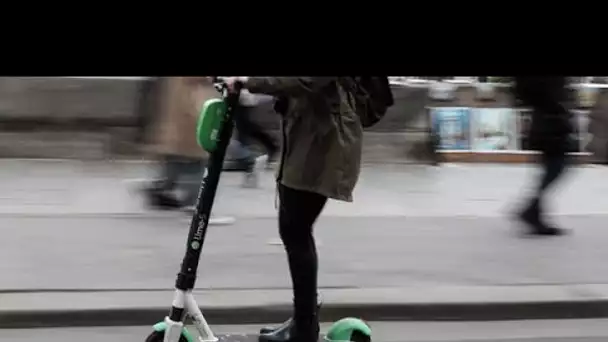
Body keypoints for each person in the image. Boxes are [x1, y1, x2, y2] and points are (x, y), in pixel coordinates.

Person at [222, 77, 363, 342]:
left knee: (295, 229)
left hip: (322, 144)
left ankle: (304, 326)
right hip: (310, 139)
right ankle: (303, 320)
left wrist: (248, 80)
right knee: (294, 229)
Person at [141, 77, 235, 225]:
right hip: (190, 116)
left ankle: (158, 188)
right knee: (198, 164)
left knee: (177, 160)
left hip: (178, 117)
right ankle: (195, 207)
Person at [513, 76, 572, 235]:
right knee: (557, 165)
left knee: (553, 166)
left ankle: (533, 212)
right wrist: (556, 106)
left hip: (547, 120)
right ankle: (531, 210)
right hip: (550, 123)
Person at [233, 88, 279, 188]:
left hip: (240, 98)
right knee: (246, 133)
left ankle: (251, 162)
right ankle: (252, 165)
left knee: (243, 134)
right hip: (242, 99)